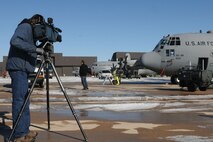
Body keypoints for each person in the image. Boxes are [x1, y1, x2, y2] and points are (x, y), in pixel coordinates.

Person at [6, 14, 44, 141]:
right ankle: (19, 135)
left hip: (23, 69)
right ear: (36, 21)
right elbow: (15, 40)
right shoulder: (25, 26)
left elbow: (30, 48)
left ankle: (25, 130)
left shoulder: (31, 33)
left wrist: (41, 47)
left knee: (25, 101)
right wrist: (35, 49)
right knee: (19, 101)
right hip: (18, 68)